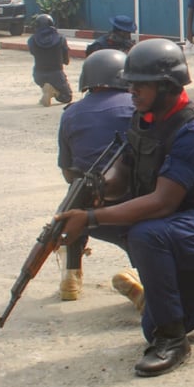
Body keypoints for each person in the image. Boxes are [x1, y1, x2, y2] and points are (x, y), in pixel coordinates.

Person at [54, 38, 194, 377]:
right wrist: (99, 188)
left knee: (144, 233)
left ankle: (173, 342)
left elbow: (162, 201)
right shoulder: (147, 118)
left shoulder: (193, 130)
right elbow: (124, 170)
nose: (132, 92)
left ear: (167, 87)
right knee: (151, 325)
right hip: (177, 228)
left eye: (140, 85)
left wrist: (91, 217)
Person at [56, 49, 137, 305]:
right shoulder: (137, 104)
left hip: (90, 211)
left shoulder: (70, 113)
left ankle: (71, 274)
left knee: (75, 197)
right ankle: (141, 275)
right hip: (135, 204)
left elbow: (68, 171)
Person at [27, 13, 72, 107]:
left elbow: (33, 52)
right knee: (67, 97)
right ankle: (53, 91)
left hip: (38, 74)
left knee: (44, 80)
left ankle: (47, 89)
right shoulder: (60, 38)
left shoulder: (32, 39)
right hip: (56, 73)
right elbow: (66, 60)